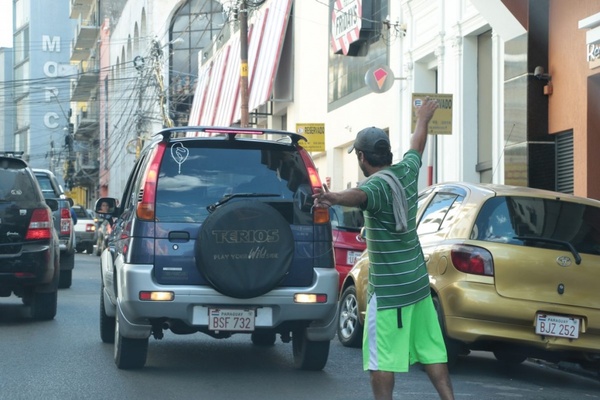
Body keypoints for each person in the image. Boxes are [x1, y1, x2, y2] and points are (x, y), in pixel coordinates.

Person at [313, 98, 454, 400]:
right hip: (417, 284)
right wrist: (423, 118)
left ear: (362, 157)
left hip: (389, 291)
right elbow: (416, 145)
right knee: (432, 350)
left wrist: (334, 197)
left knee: (381, 358)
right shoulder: (406, 171)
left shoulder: (376, 187)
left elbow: (358, 195)